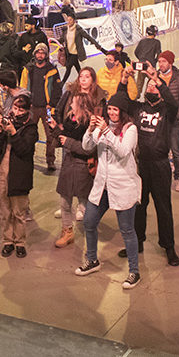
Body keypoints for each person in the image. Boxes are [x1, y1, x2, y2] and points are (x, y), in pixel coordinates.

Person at [75, 91, 142, 286]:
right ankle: (92, 260)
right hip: (102, 185)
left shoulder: (130, 129)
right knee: (89, 221)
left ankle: (134, 272)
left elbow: (123, 151)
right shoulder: (102, 126)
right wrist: (90, 130)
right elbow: (86, 146)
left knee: (127, 230)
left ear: (123, 111)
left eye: (115, 110)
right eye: (110, 109)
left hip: (123, 186)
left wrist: (106, 131)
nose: (111, 113)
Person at [118, 65, 179, 266]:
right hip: (141, 165)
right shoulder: (139, 108)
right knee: (139, 205)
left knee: (163, 207)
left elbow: (172, 102)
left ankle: (169, 246)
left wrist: (157, 79)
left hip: (160, 165)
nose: (152, 87)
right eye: (149, 85)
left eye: (155, 86)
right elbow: (121, 101)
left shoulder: (167, 110)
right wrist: (124, 78)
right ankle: (137, 242)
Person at [51, 66, 105, 247]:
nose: (70, 105)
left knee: (85, 203)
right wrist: (55, 129)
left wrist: (67, 142)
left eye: (73, 103)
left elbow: (88, 149)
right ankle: (67, 231)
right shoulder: (70, 118)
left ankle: (91, 233)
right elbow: (63, 137)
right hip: (69, 163)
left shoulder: (89, 125)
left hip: (82, 166)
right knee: (64, 202)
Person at [0, 93, 39, 258]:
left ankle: (20, 242)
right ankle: (7, 241)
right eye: (15, 108)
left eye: (20, 110)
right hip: (1, 171)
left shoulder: (31, 127)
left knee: (19, 211)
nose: (16, 112)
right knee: (5, 211)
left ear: (27, 110)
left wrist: (14, 133)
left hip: (19, 173)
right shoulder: (6, 121)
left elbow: (24, 150)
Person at [19, 42, 62, 172]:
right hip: (31, 108)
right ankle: (27, 159)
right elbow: (22, 87)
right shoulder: (28, 69)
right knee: (28, 135)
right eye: (38, 52)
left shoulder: (52, 70)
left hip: (47, 109)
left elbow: (57, 90)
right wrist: (25, 103)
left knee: (50, 136)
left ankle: (50, 161)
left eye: (43, 53)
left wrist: (52, 104)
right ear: (34, 54)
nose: (40, 55)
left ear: (46, 55)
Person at [157, 51, 179, 192]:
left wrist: (177, 116)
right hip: (158, 121)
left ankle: (178, 178)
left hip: (173, 122)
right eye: (159, 61)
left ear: (170, 63)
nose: (161, 64)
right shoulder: (155, 78)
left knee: (176, 151)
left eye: (164, 61)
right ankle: (160, 177)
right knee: (158, 150)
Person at [59, 9, 107, 83]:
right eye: (68, 20)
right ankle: (85, 80)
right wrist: (53, 41)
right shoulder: (66, 30)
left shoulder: (78, 30)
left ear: (74, 20)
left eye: (70, 20)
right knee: (78, 68)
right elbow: (62, 39)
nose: (69, 21)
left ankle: (61, 84)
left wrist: (98, 46)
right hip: (69, 53)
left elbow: (88, 37)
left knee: (68, 68)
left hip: (76, 53)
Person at [133, 25, 162, 94]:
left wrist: (141, 59)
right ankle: (147, 97)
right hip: (150, 66)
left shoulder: (142, 41)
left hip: (141, 65)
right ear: (155, 33)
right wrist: (154, 61)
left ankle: (135, 97)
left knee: (139, 84)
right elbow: (159, 54)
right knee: (151, 83)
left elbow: (136, 52)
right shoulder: (157, 42)